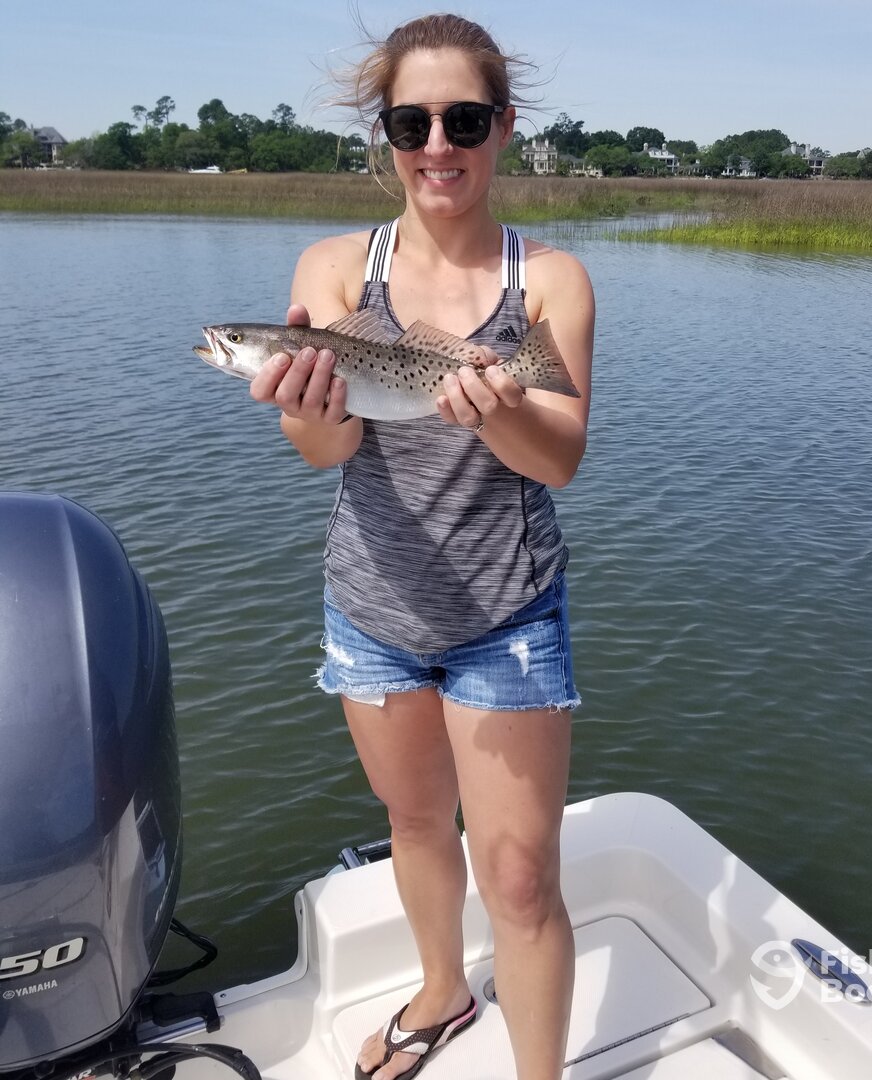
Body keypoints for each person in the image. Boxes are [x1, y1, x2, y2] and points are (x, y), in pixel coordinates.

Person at [250, 14, 594, 1080]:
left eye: (463, 121)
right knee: (413, 821)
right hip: (372, 609)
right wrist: (304, 403)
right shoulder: (334, 268)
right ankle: (443, 992)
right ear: (386, 136)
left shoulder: (547, 282)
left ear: (503, 128)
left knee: (522, 879)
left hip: (507, 615)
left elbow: (559, 460)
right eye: (411, 123)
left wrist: (496, 408)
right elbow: (323, 449)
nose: (436, 145)